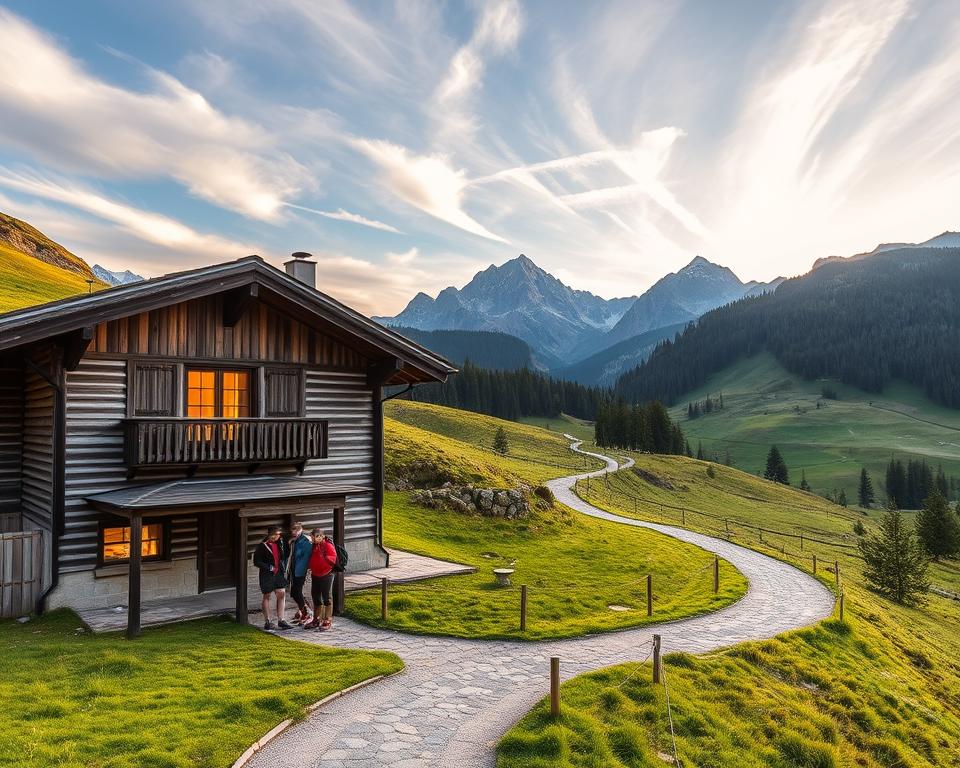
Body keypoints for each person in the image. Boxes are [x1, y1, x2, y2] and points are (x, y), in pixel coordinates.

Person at [253, 526, 292, 630]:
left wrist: (287, 544)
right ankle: (268, 621)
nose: (277, 536)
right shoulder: (262, 546)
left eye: (278, 534)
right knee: (267, 596)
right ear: (270, 535)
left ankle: (281, 620)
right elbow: (256, 561)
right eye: (275, 534)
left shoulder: (280, 544)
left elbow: (284, 556)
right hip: (267, 574)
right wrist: (269, 568)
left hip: (278, 573)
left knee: (281, 593)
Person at [304, 528, 337, 630]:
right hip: (315, 574)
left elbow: (333, 558)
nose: (312, 539)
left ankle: (327, 619)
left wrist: (324, 560)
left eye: (313, 537)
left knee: (327, 597)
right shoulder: (314, 546)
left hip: (327, 574)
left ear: (321, 536)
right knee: (316, 597)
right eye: (312, 537)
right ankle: (317, 619)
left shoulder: (327, 545)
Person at [288, 521, 314, 625]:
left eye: (296, 530)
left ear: (301, 530)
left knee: (296, 591)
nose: (294, 532)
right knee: (293, 592)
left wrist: (306, 570)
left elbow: (306, 557)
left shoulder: (305, 541)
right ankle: (302, 611)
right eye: (292, 530)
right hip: (293, 570)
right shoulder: (294, 540)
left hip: (301, 571)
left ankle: (306, 612)